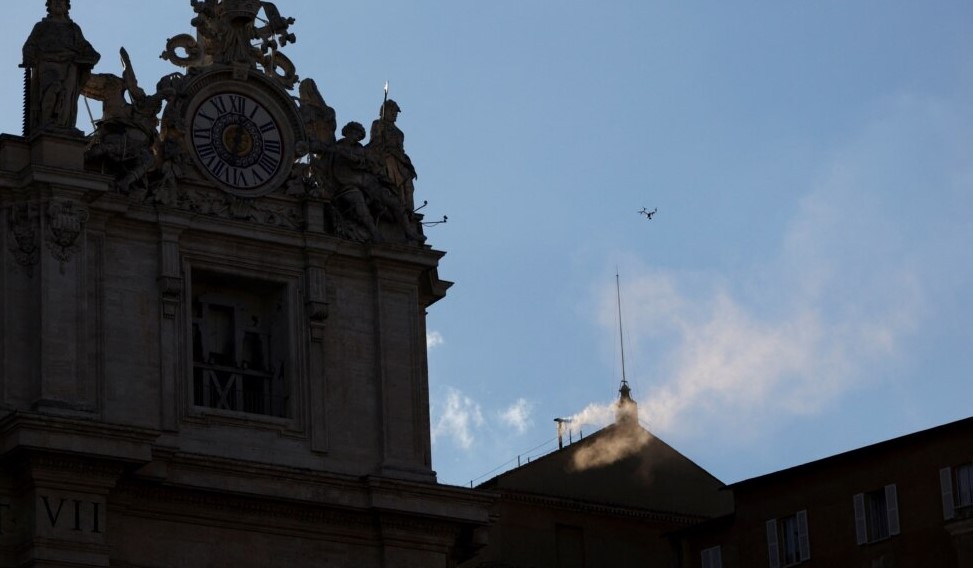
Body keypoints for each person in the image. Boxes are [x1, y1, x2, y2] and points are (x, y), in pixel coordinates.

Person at [22, 0, 100, 135]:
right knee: (52, 89)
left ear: (67, 6)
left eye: (61, 1)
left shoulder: (74, 28)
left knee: (67, 95)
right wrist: (28, 57)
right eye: (54, 1)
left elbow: (85, 46)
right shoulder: (42, 26)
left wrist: (92, 55)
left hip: (70, 66)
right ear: (49, 6)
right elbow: (29, 45)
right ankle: (46, 122)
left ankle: (64, 126)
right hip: (48, 64)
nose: (58, 3)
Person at [367, 100, 417, 211]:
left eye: (396, 112)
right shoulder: (377, 124)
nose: (394, 114)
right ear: (384, 112)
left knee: (408, 181)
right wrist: (379, 134)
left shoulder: (399, 133)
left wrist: (407, 163)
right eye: (392, 111)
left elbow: (401, 150)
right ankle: (395, 202)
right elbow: (374, 143)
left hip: (398, 158)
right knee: (392, 168)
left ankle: (408, 208)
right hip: (383, 157)